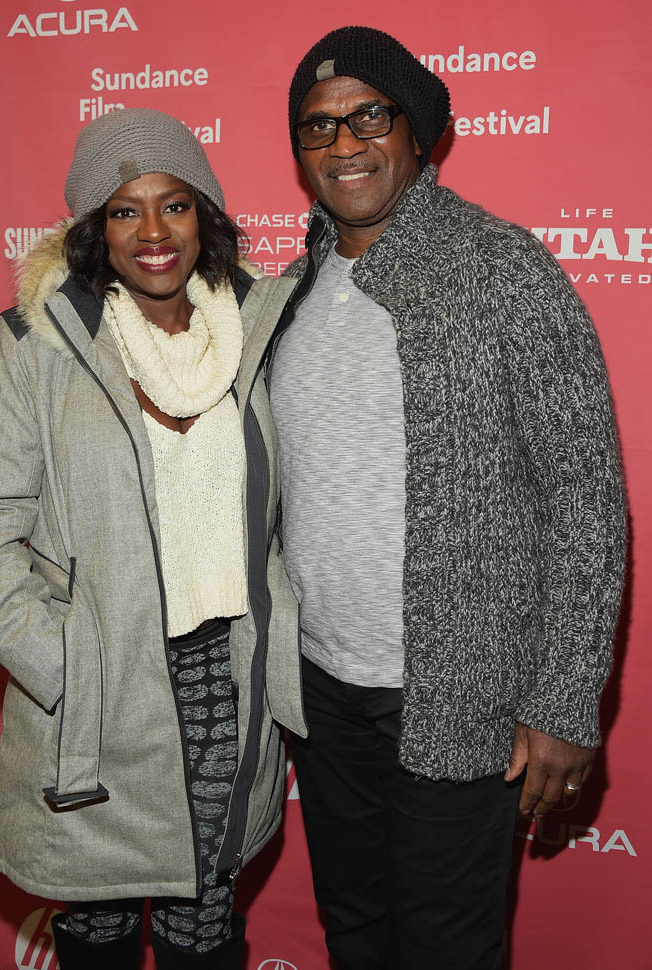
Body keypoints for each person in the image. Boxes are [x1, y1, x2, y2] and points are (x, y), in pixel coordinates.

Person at [267, 26, 627, 970]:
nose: (343, 143)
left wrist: (563, 698)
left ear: (415, 131)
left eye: (368, 116)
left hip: (459, 692)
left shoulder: (502, 268)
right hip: (319, 690)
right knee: (353, 927)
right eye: (317, 125)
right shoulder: (286, 293)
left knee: (445, 949)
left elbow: (586, 499)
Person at [0, 107, 304, 970]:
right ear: (91, 228)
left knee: (201, 927)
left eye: (173, 204)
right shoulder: (37, 342)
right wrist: (60, 661)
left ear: (203, 214)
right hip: (99, 686)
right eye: (122, 210)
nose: (152, 232)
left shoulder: (256, 326)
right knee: (97, 926)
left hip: (224, 682)